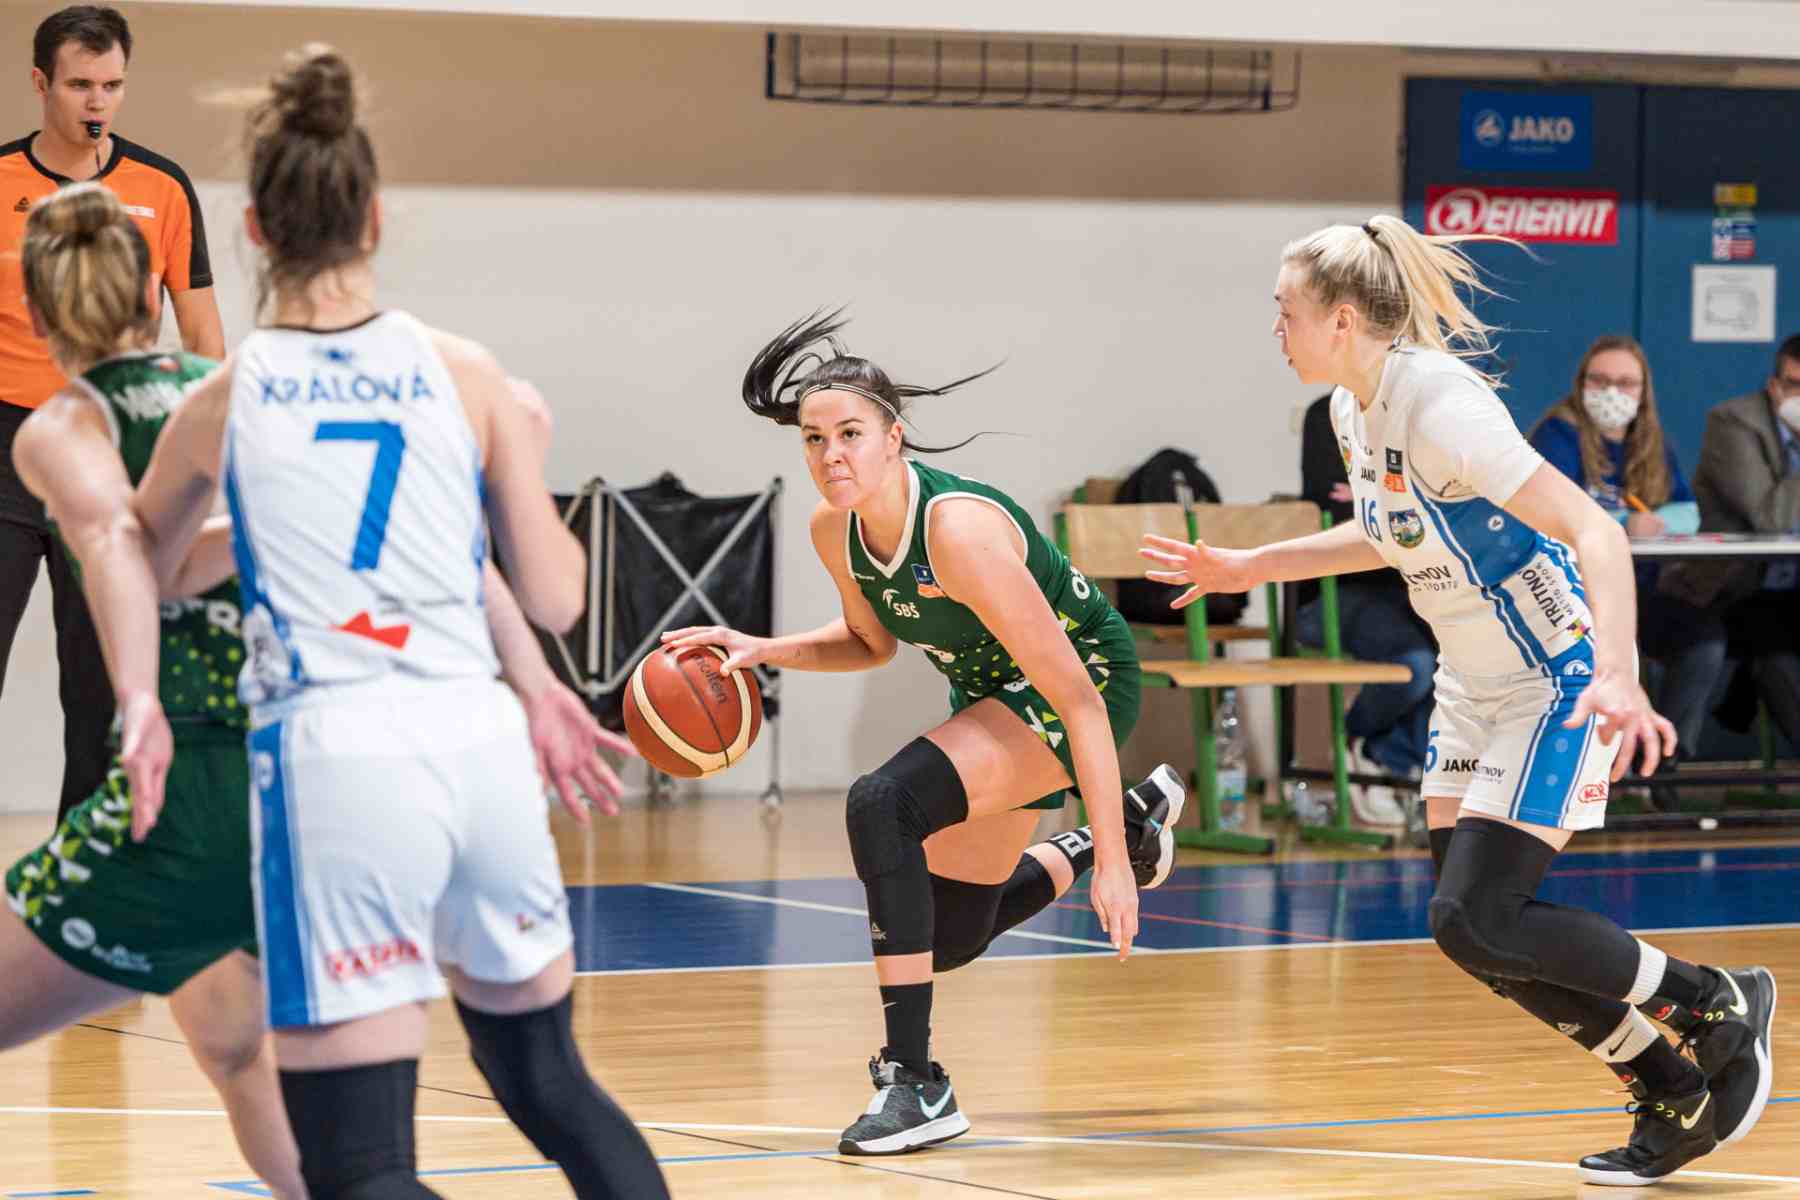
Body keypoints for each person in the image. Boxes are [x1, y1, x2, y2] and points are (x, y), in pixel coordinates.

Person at [0, 182, 634, 1199]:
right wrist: (535, 681)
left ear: (33, 311)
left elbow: (117, 541)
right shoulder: (243, 380)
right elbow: (457, 554)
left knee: (332, 1126)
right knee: (236, 1048)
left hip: (200, 787)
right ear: (156, 295)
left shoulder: (75, 423)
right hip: (312, 786)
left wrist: (138, 698)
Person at [128, 45, 667, 1200]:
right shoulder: (464, 371)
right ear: (374, 219)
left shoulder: (223, 397)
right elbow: (560, 598)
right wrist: (519, 469)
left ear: (255, 232)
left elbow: (149, 571)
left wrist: (241, 526)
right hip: (478, 746)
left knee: (360, 1166)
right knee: (554, 1088)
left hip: (338, 761)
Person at [1143, 215, 1776, 1187]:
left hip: (1554, 679)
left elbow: (1595, 531)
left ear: (1342, 319)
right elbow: (1387, 531)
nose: (1275, 328)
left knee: (1480, 915)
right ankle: (1671, 1086)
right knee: (1474, 936)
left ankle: (1710, 1000)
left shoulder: (1442, 405)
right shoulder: (1354, 409)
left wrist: (1618, 670)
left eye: (1286, 311)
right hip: (1472, 687)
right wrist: (1251, 564)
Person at [662, 311, 1184, 1156]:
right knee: (945, 939)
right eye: (814, 439)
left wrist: (1120, 877)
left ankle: (916, 1082)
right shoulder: (835, 529)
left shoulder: (958, 533)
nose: (831, 455)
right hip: (993, 693)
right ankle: (1115, 827)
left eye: (851, 434)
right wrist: (760, 647)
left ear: (893, 438)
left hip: (1081, 682)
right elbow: (868, 643)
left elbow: (1080, 704)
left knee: (883, 802)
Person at [0, 5, 226, 819]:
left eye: (112, 85)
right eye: (79, 85)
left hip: (112, 442)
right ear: (41, 83)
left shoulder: (162, 187)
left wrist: (199, 452)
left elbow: (202, 334)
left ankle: (89, 861)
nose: (96, 102)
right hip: (7, 440)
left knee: (102, 682)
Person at [1528, 336, 1725, 761]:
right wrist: (1623, 524)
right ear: (1582, 383)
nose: (1611, 392)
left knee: (1703, 641)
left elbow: (1686, 514)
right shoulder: (1558, 434)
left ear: (1643, 390)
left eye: (1625, 382)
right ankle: (1598, 770)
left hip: (1640, 593)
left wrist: (1645, 523)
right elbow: (1548, 512)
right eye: (1599, 380)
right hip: (1572, 599)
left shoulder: (1651, 442)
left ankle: (1661, 763)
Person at [1297, 390, 1435, 822]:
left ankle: (1392, 756)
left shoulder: (1422, 411)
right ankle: (1362, 742)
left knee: (1460, 656)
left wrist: (1385, 499)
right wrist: (1405, 499)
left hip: (1407, 589)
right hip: (1332, 595)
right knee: (1416, 664)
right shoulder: (1329, 412)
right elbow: (1338, 510)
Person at [1661, 333, 1800, 752]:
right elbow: (1770, 517)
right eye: (1795, 385)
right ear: (1774, 386)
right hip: (1730, 589)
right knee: (1775, 649)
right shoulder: (1734, 421)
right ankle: (1663, 767)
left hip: (1790, 593)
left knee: (1779, 645)